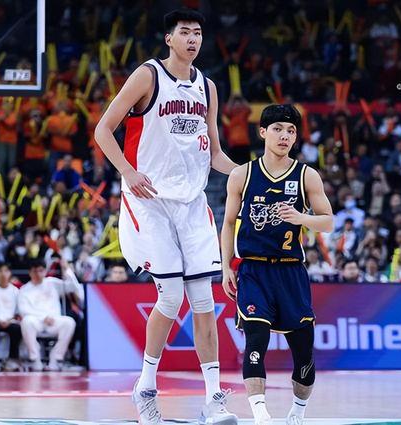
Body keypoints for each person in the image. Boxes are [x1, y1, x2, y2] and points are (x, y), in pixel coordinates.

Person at [94, 8, 238, 425]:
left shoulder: (208, 87)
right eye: (185, 32)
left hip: (192, 204)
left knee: (204, 301)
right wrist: (128, 171)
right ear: (169, 39)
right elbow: (103, 129)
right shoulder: (148, 76)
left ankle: (213, 399)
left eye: (198, 33)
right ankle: (145, 388)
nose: (193, 39)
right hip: (149, 200)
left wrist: (251, 174)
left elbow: (215, 154)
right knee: (171, 297)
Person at [220, 104, 334, 425]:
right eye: (278, 129)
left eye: (291, 131)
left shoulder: (306, 175)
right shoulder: (242, 175)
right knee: (256, 339)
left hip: (290, 271)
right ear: (263, 132)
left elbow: (328, 222)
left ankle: (297, 411)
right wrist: (226, 266)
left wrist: (301, 218)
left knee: (304, 352)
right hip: (254, 270)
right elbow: (228, 223)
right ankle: (260, 414)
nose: (285, 136)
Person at [18, 259, 82, 372]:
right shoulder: (24, 289)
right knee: (26, 321)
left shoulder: (52, 283)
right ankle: (35, 359)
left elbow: (73, 287)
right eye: (35, 271)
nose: (38, 274)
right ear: (30, 272)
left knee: (69, 322)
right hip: (36, 322)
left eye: (41, 271)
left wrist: (67, 270)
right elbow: (23, 310)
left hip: (54, 321)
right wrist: (43, 318)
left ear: (45, 271)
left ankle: (55, 359)